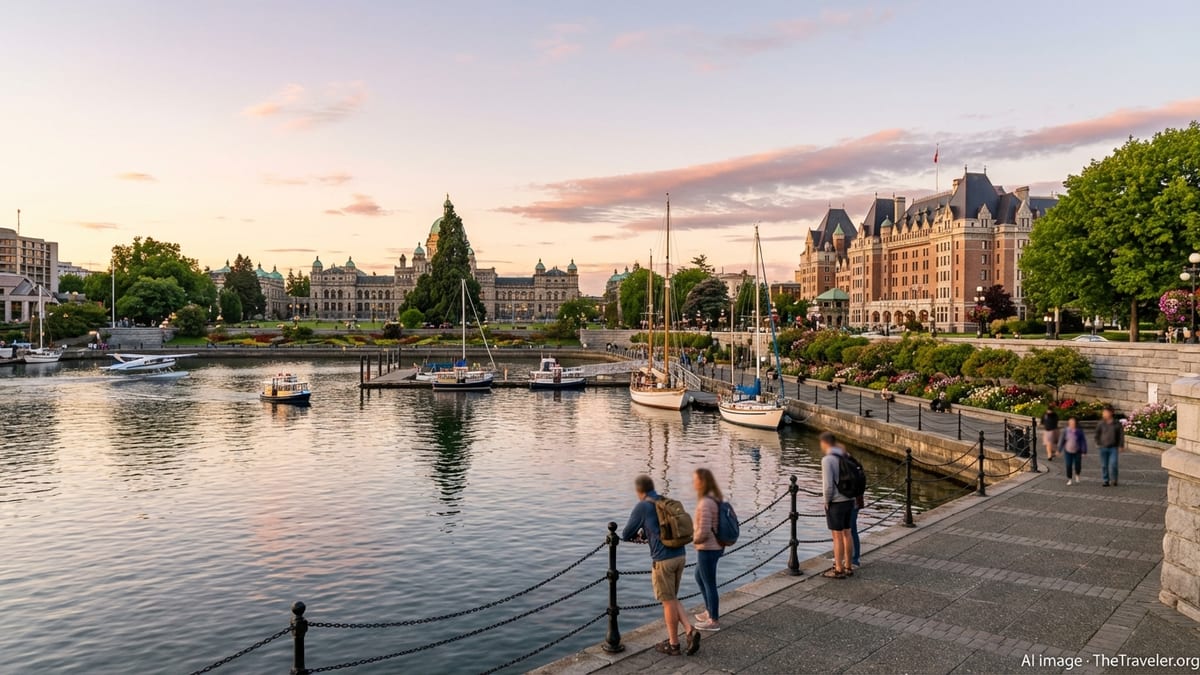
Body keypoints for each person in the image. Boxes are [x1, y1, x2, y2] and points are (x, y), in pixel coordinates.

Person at [621, 475, 700, 656]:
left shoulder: (643, 506)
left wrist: (639, 536)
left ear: (639, 491)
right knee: (672, 598)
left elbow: (626, 534)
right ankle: (689, 631)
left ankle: (673, 645)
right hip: (680, 555)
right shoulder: (664, 501)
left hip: (663, 560)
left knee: (667, 602)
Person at [691, 468, 724, 632]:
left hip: (708, 548)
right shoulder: (714, 498)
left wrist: (693, 540)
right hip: (715, 546)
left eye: (695, 480)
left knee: (709, 583)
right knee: (699, 576)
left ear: (702, 482)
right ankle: (709, 610)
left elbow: (703, 531)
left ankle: (713, 620)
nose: (693, 483)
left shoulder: (705, 503)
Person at [818, 432, 855, 578]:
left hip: (836, 502)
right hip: (849, 499)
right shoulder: (846, 455)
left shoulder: (828, 460)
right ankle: (849, 566)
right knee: (848, 532)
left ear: (825, 443)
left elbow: (828, 486)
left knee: (837, 536)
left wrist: (826, 502)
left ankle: (838, 568)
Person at [1094, 407, 1126, 487]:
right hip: (1103, 447)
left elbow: (1121, 435)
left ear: (1111, 413)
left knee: (1113, 464)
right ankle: (1106, 480)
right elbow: (1097, 434)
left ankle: (1114, 479)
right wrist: (1097, 442)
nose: (1104, 414)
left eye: (1105, 412)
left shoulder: (1117, 423)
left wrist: (1121, 445)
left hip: (1113, 447)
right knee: (1104, 465)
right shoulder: (1101, 423)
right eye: (1103, 412)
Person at [1058, 417, 1087, 485]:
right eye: (1070, 423)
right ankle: (1069, 479)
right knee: (1068, 465)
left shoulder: (1079, 431)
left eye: (1073, 423)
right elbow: (1062, 440)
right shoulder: (1066, 430)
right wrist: (1059, 450)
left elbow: (1083, 441)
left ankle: (1077, 474)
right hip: (1068, 451)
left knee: (1077, 464)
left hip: (1077, 450)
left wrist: (1084, 451)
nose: (1072, 424)